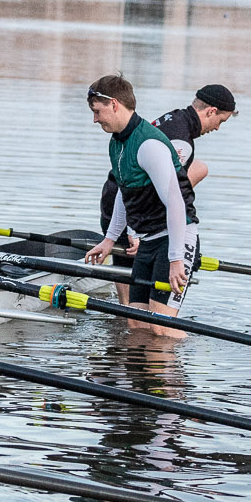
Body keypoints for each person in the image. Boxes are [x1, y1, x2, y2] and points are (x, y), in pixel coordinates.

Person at [97, 83, 234, 295]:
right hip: (128, 208)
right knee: (134, 314)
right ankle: (123, 323)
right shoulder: (182, 141)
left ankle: (123, 322)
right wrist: (133, 230)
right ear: (211, 111)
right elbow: (152, 189)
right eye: (221, 122)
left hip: (115, 198)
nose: (217, 128)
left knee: (200, 168)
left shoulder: (174, 118)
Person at [82, 74, 192, 337]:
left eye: (97, 112)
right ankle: (143, 377)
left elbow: (176, 203)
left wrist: (176, 258)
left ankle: (189, 371)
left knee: (161, 329)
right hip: (148, 240)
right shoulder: (118, 142)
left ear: (114, 104)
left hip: (174, 239)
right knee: (137, 325)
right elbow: (124, 191)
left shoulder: (149, 145)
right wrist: (109, 240)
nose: (95, 119)